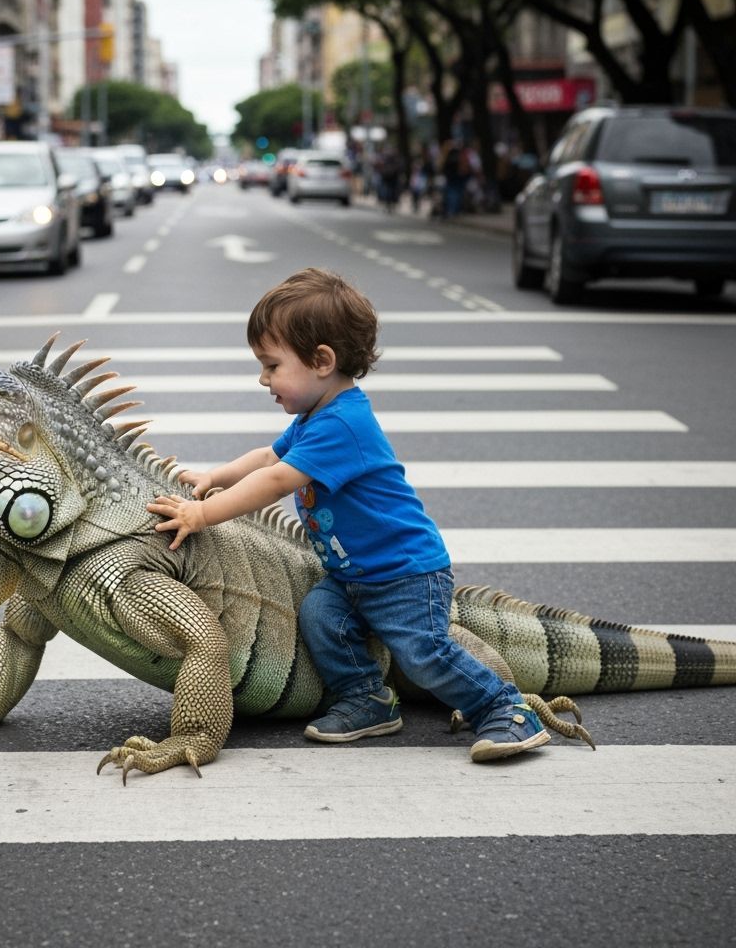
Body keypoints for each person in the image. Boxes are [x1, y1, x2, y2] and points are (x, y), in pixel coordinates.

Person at [146, 268, 549, 763]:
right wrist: (217, 475)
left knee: (422, 653)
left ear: (321, 361)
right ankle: (369, 701)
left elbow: (275, 483)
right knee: (321, 616)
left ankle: (506, 709)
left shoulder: (344, 424)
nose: (262, 378)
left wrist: (202, 513)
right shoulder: (314, 418)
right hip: (353, 576)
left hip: (405, 574)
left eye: (272, 365)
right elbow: (269, 459)